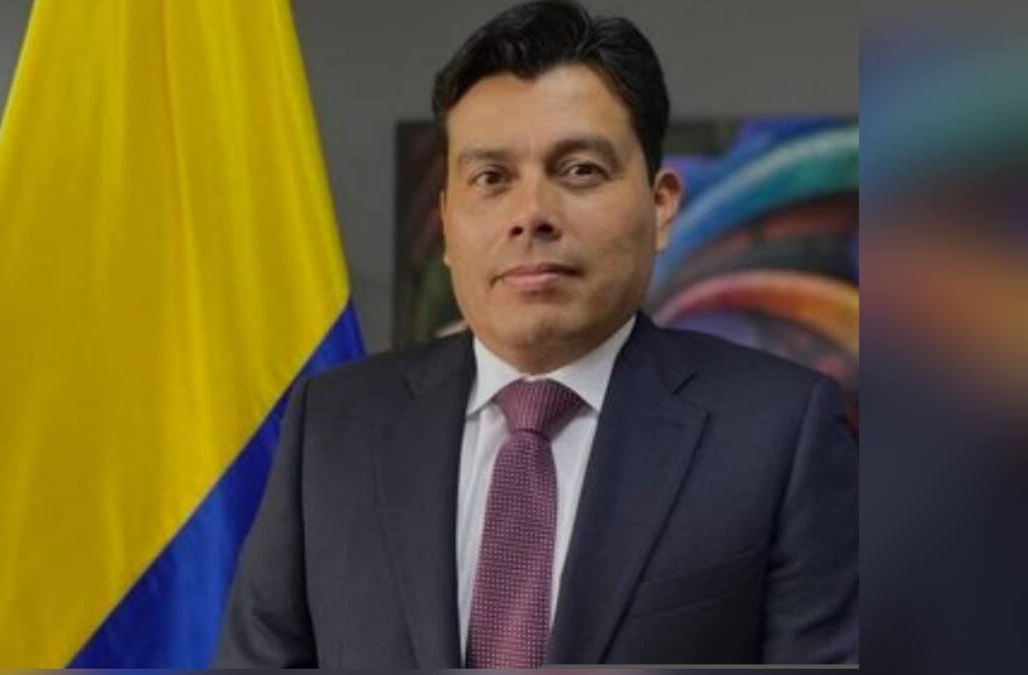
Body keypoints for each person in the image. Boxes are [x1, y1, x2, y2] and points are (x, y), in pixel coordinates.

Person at [218, 0, 857, 667]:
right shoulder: (334, 428)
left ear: (661, 206)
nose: (531, 214)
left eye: (579, 170)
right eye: (491, 178)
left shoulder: (778, 431)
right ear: (446, 221)